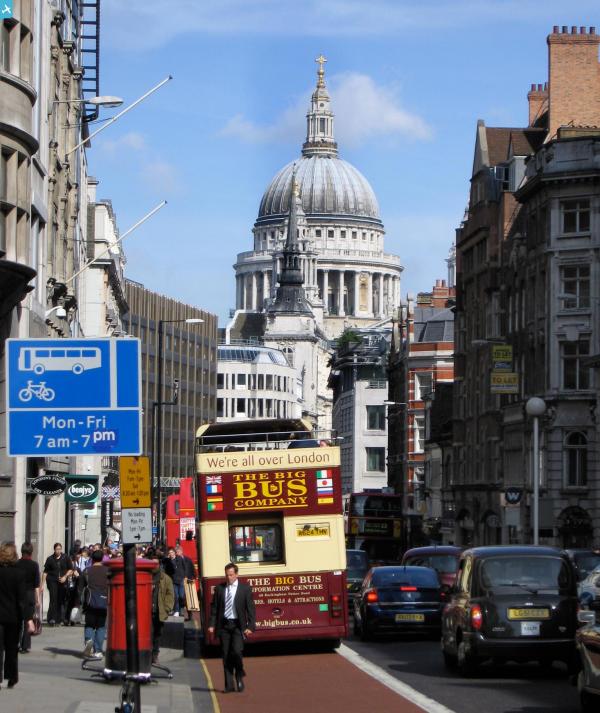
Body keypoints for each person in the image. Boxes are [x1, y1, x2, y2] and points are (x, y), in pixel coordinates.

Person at [208, 562, 256, 693]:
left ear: (236, 574)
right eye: (227, 575)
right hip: (224, 625)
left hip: (237, 626)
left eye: (231, 575)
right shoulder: (220, 589)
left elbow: (250, 609)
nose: (228, 577)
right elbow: (214, 608)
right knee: (226, 655)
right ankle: (229, 685)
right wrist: (212, 624)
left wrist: (250, 626)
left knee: (236, 652)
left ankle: (239, 674)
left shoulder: (245, 589)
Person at [0, 543, 35, 689]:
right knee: (12, 648)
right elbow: (22, 599)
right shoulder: (19, 574)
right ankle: (12, 677)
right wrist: (28, 619)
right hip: (13, 617)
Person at [145, 547, 174, 664]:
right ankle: (148, 654)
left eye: (156, 564)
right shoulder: (145, 576)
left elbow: (170, 595)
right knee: (148, 634)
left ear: (159, 564)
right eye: (152, 564)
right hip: (147, 611)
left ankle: (155, 654)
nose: (154, 566)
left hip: (159, 611)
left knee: (157, 635)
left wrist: (167, 608)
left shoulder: (165, 578)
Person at [81, 549, 109, 659]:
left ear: (92, 559)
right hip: (103, 601)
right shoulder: (108, 571)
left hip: (90, 601)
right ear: (102, 559)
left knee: (89, 624)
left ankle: (89, 640)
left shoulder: (87, 571)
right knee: (101, 626)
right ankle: (98, 650)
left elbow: (81, 588)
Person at [16, 542, 40, 653]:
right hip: (29, 594)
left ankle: (15, 642)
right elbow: (36, 585)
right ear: (31, 552)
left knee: (18, 620)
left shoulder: (17, 564)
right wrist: (37, 600)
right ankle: (25, 645)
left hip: (18, 594)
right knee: (28, 619)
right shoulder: (34, 565)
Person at [42, 543, 73, 626]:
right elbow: (45, 572)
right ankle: (51, 618)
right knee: (53, 598)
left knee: (61, 599)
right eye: (56, 549)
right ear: (54, 550)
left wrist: (65, 577)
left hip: (63, 581)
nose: (58, 551)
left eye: (59, 549)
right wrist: (42, 584)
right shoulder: (50, 559)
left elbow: (70, 569)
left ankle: (60, 618)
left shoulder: (65, 557)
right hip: (52, 581)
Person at [164, 547, 187, 616]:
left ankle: (181, 608)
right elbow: (166, 570)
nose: (170, 554)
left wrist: (185, 576)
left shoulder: (179, 558)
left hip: (181, 580)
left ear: (174, 552)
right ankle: (177, 610)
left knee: (181, 596)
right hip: (173, 581)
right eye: (169, 553)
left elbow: (184, 567)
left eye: (171, 552)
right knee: (176, 596)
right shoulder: (168, 561)